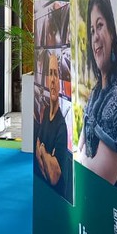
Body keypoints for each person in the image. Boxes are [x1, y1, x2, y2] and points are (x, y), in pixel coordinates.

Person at [75, 0, 117, 192]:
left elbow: (93, 178)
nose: (95, 37)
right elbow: (81, 150)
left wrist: (80, 158)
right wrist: (82, 157)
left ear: (112, 33)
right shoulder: (97, 93)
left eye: (100, 26)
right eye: (91, 30)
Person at [34, 52, 72, 203]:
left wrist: (42, 150)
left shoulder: (61, 126)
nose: (53, 80)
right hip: (43, 193)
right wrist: (47, 155)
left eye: (56, 74)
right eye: (50, 74)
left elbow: (54, 177)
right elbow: (37, 149)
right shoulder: (45, 114)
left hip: (57, 200)